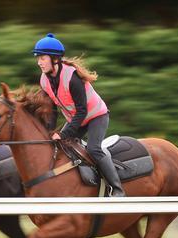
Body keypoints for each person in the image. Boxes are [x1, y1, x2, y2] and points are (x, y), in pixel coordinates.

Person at [33, 33, 125, 197]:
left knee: (93, 148)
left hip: (97, 116)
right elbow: (52, 109)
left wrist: (64, 133)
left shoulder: (72, 78)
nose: (39, 62)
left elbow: (82, 111)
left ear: (55, 58)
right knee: (59, 145)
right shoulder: (44, 80)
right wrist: (51, 130)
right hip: (77, 119)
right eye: (37, 58)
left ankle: (117, 189)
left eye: (42, 58)